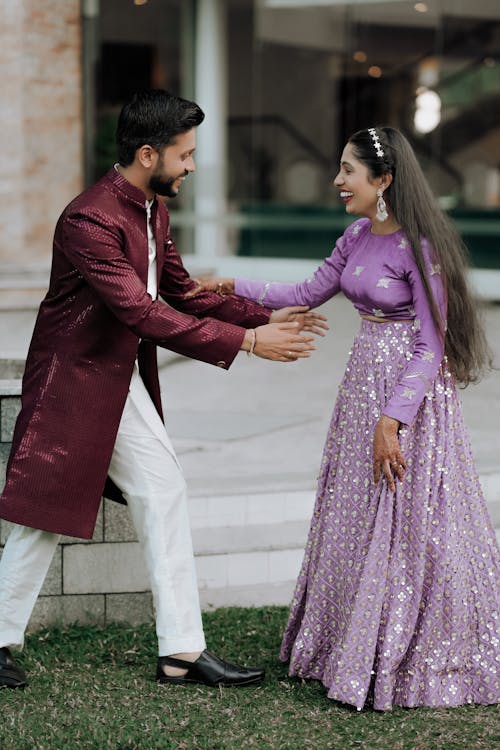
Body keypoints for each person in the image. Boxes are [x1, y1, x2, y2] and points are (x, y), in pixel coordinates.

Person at [0, 90, 326, 691]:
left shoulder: (153, 208)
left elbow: (179, 289)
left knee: (164, 491)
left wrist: (261, 318)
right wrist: (250, 345)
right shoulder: (87, 219)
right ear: (148, 154)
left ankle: (181, 653)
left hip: (116, 381)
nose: (192, 166)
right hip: (72, 382)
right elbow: (142, 313)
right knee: (41, 516)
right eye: (186, 155)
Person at [187, 126, 500, 710]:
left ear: (383, 181)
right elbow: (307, 288)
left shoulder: (420, 248)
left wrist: (393, 420)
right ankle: (346, 641)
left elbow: (432, 348)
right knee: (357, 510)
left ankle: (408, 647)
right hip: (360, 387)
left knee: (405, 516)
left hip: (408, 398)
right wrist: (230, 283)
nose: (337, 181)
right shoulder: (357, 235)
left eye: (348, 172)